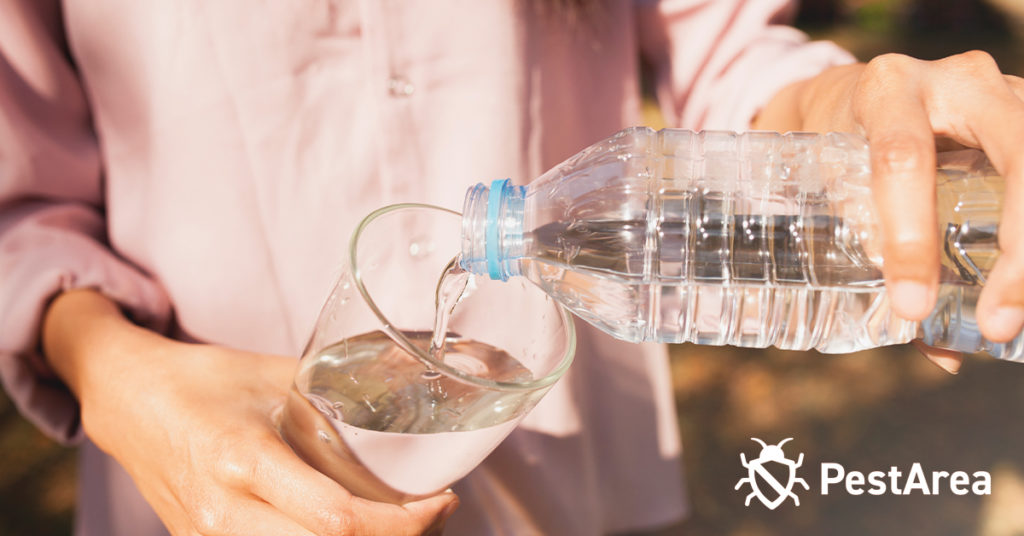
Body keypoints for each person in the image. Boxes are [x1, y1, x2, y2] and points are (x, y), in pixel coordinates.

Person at [1, 0, 1021, 534]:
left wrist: (839, 129)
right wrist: (109, 372)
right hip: (205, 490)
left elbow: (725, 52)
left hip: (579, 495)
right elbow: (21, 205)